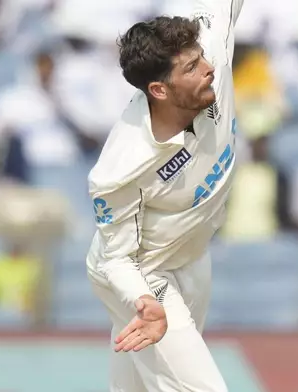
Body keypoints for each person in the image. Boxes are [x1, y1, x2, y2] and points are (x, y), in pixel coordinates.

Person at [86, 0, 244, 390]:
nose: (208, 68)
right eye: (191, 68)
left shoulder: (213, 60)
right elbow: (116, 259)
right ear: (158, 89)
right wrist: (145, 302)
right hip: (144, 275)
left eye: (201, 58)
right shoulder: (121, 167)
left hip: (192, 256)